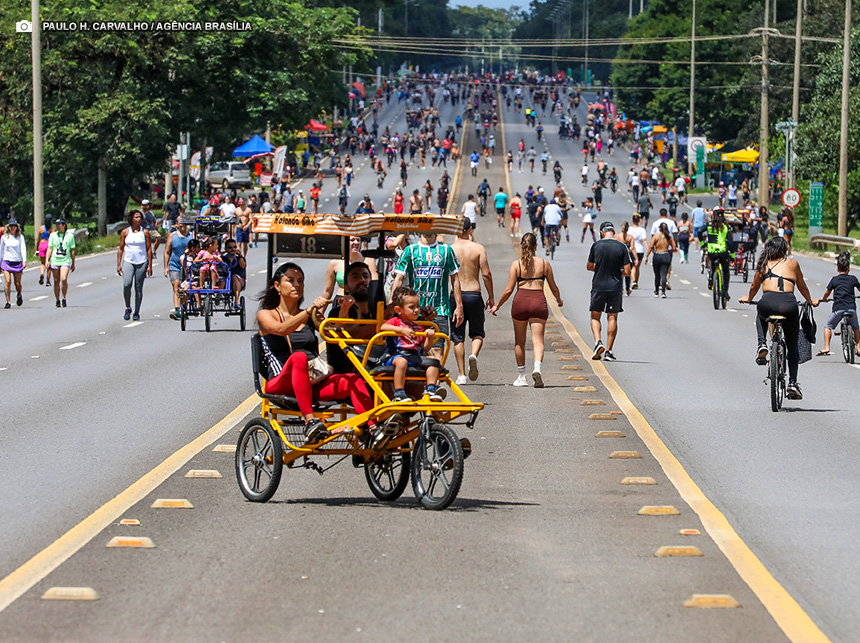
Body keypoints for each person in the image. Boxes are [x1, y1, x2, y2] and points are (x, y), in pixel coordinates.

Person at [257, 262, 375, 442]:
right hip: (281, 382)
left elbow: (333, 333)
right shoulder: (267, 314)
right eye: (290, 280)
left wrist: (343, 310)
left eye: (300, 281)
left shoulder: (310, 315)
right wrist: (309, 311)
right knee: (299, 358)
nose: (297, 285)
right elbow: (281, 329)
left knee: (351, 380)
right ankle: (310, 422)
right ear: (277, 286)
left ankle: (373, 428)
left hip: (311, 383)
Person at [739, 237, 817, 400]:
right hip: (789, 305)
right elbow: (802, 286)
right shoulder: (793, 264)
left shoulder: (763, 263)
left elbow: (754, 286)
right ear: (784, 249)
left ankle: (761, 344)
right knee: (792, 344)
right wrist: (810, 301)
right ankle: (793, 383)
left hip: (767, 303)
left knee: (760, 313)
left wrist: (748, 297)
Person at [491, 233, 563, 387]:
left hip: (521, 301)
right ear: (536, 246)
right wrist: (559, 299)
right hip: (538, 301)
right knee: (538, 341)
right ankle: (537, 369)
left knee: (520, 341)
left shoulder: (516, 264)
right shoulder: (544, 264)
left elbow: (509, 290)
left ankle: (521, 376)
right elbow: (553, 287)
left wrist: (498, 305)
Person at [391, 230, 464, 360]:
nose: (428, 230)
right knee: (414, 348)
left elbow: (455, 279)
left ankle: (434, 379)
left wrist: (459, 306)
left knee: (437, 349)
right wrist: (392, 304)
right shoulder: (410, 250)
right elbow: (399, 278)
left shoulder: (446, 250)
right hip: (414, 310)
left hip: (439, 308)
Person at [450, 219, 495, 385]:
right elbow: (486, 274)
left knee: (457, 336)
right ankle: (474, 355)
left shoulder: (450, 249)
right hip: (474, 294)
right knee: (477, 333)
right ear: (470, 229)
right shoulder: (478, 248)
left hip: (456, 296)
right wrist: (491, 296)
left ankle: (461, 375)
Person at [381, 287, 442, 402]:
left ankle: (431, 389)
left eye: (418, 307)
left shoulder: (417, 326)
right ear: (399, 310)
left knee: (434, 360)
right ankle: (399, 393)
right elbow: (383, 327)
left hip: (413, 356)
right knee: (401, 361)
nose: (416, 310)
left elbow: (425, 347)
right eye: (411, 307)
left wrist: (429, 336)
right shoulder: (396, 321)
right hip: (395, 355)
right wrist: (401, 330)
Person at [587, 221, 632, 361]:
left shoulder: (596, 245)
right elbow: (628, 271)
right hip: (615, 287)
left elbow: (589, 266)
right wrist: (617, 272)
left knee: (595, 316)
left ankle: (597, 342)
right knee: (612, 317)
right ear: (613, 231)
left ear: (602, 232)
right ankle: (609, 351)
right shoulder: (622, 247)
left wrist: (600, 268)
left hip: (598, 286)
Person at [325, 261, 377, 375]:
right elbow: (347, 336)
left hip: (380, 370)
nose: (362, 280)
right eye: (355, 277)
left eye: (365, 276)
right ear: (346, 287)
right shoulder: (337, 313)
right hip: (348, 374)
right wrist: (380, 324)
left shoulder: (379, 311)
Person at [814, 251, 860, 357]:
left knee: (828, 326)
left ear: (837, 269)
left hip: (838, 309)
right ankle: (858, 346)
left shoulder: (834, 280)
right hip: (851, 309)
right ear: (849, 268)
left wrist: (824, 299)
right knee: (855, 327)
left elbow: (827, 292)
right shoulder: (853, 279)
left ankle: (826, 347)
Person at [117, 210, 153, 321]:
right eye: (136, 217)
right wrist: (119, 264)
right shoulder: (125, 232)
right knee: (127, 284)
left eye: (140, 217)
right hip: (129, 261)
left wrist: (150, 265)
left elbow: (148, 249)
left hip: (141, 262)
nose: (138, 219)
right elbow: (121, 249)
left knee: (138, 287)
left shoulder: (145, 232)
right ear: (131, 219)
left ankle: (137, 312)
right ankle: (128, 307)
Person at [322, 236, 378, 300]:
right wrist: (319, 309)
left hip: (361, 302)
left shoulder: (368, 260)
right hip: (341, 301)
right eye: (352, 240)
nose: (356, 242)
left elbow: (375, 286)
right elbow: (327, 291)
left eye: (358, 240)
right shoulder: (334, 262)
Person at [164, 219, 192, 320]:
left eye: (184, 223)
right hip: (174, 265)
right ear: (177, 224)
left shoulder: (191, 236)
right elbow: (167, 252)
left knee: (186, 288)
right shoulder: (172, 236)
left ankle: (184, 306)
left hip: (187, 265)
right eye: (180, 223)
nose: (182, 225)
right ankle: (177, 310)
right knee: (176, 286)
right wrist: (166, 267)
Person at [45, 218, 76, 308]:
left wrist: (73, 262)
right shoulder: (53, 235)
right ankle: (57, 299)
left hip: (65, 260)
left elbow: (72, 250)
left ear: (64, 225)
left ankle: (64, 297)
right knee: (56, 280)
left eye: (60, 224)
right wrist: (47, 260)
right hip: (55, 260)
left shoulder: (69, 236)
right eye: (56, 224)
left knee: (63, 278)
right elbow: (50, 248)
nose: (58, 226)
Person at [644, 221, 675, 298]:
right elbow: (674, 247)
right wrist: (669, 251)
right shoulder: (669, 237)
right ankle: (663, 292)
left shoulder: (656, 237)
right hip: (666, 255)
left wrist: (646, 256)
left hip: (657, 255)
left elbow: (651, 246)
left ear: (660, 229)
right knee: (664, 274)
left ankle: (656, 291)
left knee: (657, 275)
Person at [0, 219, 27, 308]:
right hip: (6, 261)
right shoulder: (4, 237)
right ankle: (8, 301)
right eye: (11, 226)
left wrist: (24, 260)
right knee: (7, 281)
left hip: (17, 261)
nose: (12, 228)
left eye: (14, 226)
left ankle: (19, 294)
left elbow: (23, 248)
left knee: (17, 283)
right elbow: (1, 250)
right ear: (8, 227)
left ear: (17, 227)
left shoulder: (20, 237)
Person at [706, 207, 731, 302]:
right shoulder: (726, 227)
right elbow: (730, 242)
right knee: (726, 271)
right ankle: (725, 292)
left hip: (712, 252)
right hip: (723, 252)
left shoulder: (709, 225)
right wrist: (732, 255)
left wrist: (703, 244)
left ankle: (711, 280)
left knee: (712, 265)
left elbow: (699, 231)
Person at [615, 221, 638, 296]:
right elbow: (633, 248)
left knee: (619, 272)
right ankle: (627, 288)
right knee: (627, 272)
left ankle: (620, 288)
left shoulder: (617, 236)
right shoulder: (630, 237)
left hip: (619, 255)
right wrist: (636, 258)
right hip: (628, 255)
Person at [222, 239, 247, 309]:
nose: (232, 249)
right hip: (225, 281)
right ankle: (219, 295)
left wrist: (239, 256)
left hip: (238, 280)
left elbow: (243, 266)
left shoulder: (239, 258)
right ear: (226, 248)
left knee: (234, 277)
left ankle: (236, 300)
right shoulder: (223, 258)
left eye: (234, 247)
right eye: (230, 247)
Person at [37, 214, 53, 286]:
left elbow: (38, 239)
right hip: (49, 245)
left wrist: (37, 247)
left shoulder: (41, 228)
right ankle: (48, 281)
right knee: (49, 263)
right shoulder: (52, 229)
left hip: (42, 244)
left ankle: (41, 274)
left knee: (43, 263)